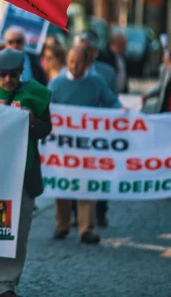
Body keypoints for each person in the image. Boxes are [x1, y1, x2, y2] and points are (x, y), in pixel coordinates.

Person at [0, 48, 52, 297]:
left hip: (23, 172)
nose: (7, 80)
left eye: (13, 75)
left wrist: (33, 122)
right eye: (3, 75)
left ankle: (6, 282)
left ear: (21, 73)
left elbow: (46, 129)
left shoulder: (35, 93)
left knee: (17, 228)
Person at [48, 47, 121, 244]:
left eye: (79, 62)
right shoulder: (57, 84)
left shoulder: (96, 82)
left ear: (87, 63)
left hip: (87, 145)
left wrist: (123, 114)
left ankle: (86, 228)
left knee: (86, 185)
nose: (75, 66)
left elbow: (112, 102)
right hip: (63, 145)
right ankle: (61, 225)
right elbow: (47, 107)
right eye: (71, 62)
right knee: (61, 185)